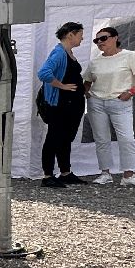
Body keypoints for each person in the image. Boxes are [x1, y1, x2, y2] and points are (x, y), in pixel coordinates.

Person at [82, 25, 135, 188]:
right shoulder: (95, 61)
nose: (100, 42)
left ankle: (128, 174)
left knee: (126, 138)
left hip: (120, 102)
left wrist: (131, 92)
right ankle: (105, 173)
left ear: (115, 38)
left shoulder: (130, 56)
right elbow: (87, 81)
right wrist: (87, 93)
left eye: (103, 38)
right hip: (97, 103)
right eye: (96, 40)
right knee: (101, 139)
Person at [36, 21, 87, 189]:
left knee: (65, 138)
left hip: (71, 104)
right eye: (80, 34)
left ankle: (65, 172)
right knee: (54, 138)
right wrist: (61, 85)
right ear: (70, 34)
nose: (82, 38)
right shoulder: (59, 53)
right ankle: (47, 175)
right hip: (60, 104)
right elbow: (43, 73)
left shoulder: (67, 52)